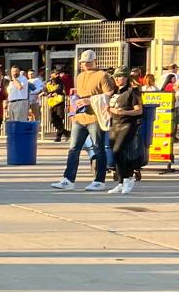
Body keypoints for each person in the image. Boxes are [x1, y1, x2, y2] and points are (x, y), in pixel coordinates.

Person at [50, 49, 113, 191]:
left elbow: (109, 94)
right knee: (73, 148)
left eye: (88, 62)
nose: (85, 65)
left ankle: (99, 180)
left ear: (94, 61)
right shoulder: (79, 76)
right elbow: (77, 95)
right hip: (79, 117)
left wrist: (89, 101)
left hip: (95, 117)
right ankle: (68, 179)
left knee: (98, 148)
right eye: (83, 62)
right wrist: (73, 109)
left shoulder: (103, 75)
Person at [106, 68, 147, 195]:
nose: (117, 79)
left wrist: (123, 112)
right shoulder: (115, 91)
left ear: (126, 78)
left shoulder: (133, 91)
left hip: (128, 124)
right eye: (115, 77)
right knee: (116, 154)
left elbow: (139, 110)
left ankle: (128, 179)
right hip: (115, 124)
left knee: (119, 150)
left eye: (120, 77)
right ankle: (121, 181)